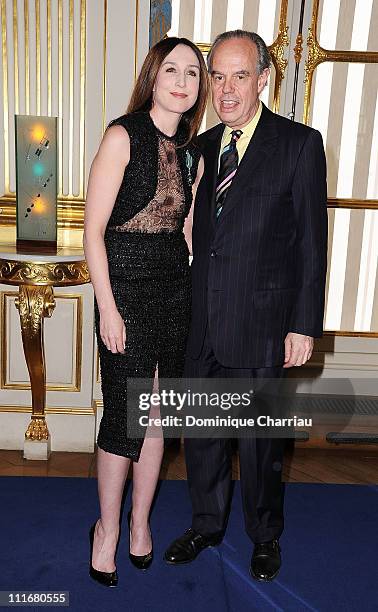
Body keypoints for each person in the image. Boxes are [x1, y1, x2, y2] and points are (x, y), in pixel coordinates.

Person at [164, 30, 328, 582]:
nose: (226, 89)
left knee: (261, 448)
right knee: (204, 438)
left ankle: (264, 536)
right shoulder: (201, 148)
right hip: (203, 323)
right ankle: (207, 523)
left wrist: (304, 326)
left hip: (264, 326)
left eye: (239, 76)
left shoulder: (300, 145)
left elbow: (310, 242)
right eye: (218, 76)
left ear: (264, 80)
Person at [83, 37, 208, 587]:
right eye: (172, 70)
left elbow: (185, 232)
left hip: (172, 292)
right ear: (153, 76)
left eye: (192, 74)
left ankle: (140, 523)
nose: (183, 81)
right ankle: (106, 529)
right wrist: (108, 308)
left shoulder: (194, 152)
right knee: (122, 417)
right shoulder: (122, 135)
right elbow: (92, 234)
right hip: (125, 293)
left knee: (158, 419)